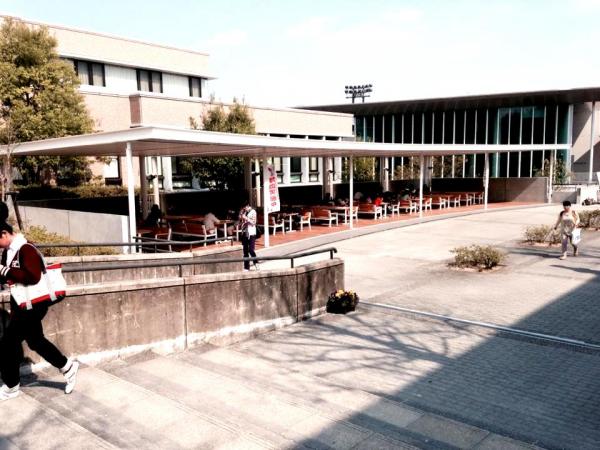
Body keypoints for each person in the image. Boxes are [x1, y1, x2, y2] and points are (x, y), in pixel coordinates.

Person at [0, 221, 79, 401]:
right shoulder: (7, 252)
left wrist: (4, 270)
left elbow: (33, 276)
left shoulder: (26, 249)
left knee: (7, 344)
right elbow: (8, 277)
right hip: (22, 305)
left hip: (34, 306)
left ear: (4, 233)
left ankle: (11, 386)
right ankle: (67, 367)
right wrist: (4, 272)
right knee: (35, 341)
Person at [239, 201, 259, 271]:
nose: (244, 208)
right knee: (245, 251)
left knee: (251, 250)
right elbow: (241, 221)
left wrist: (246, 218)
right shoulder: (244, 212)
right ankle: (246, 267)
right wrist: (241, 217)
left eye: (245, 207)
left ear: (248, 205)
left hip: (251, 233)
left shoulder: (253, 212)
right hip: (244, 232)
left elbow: (254, 222)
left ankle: (256, 263)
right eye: (243, 208)